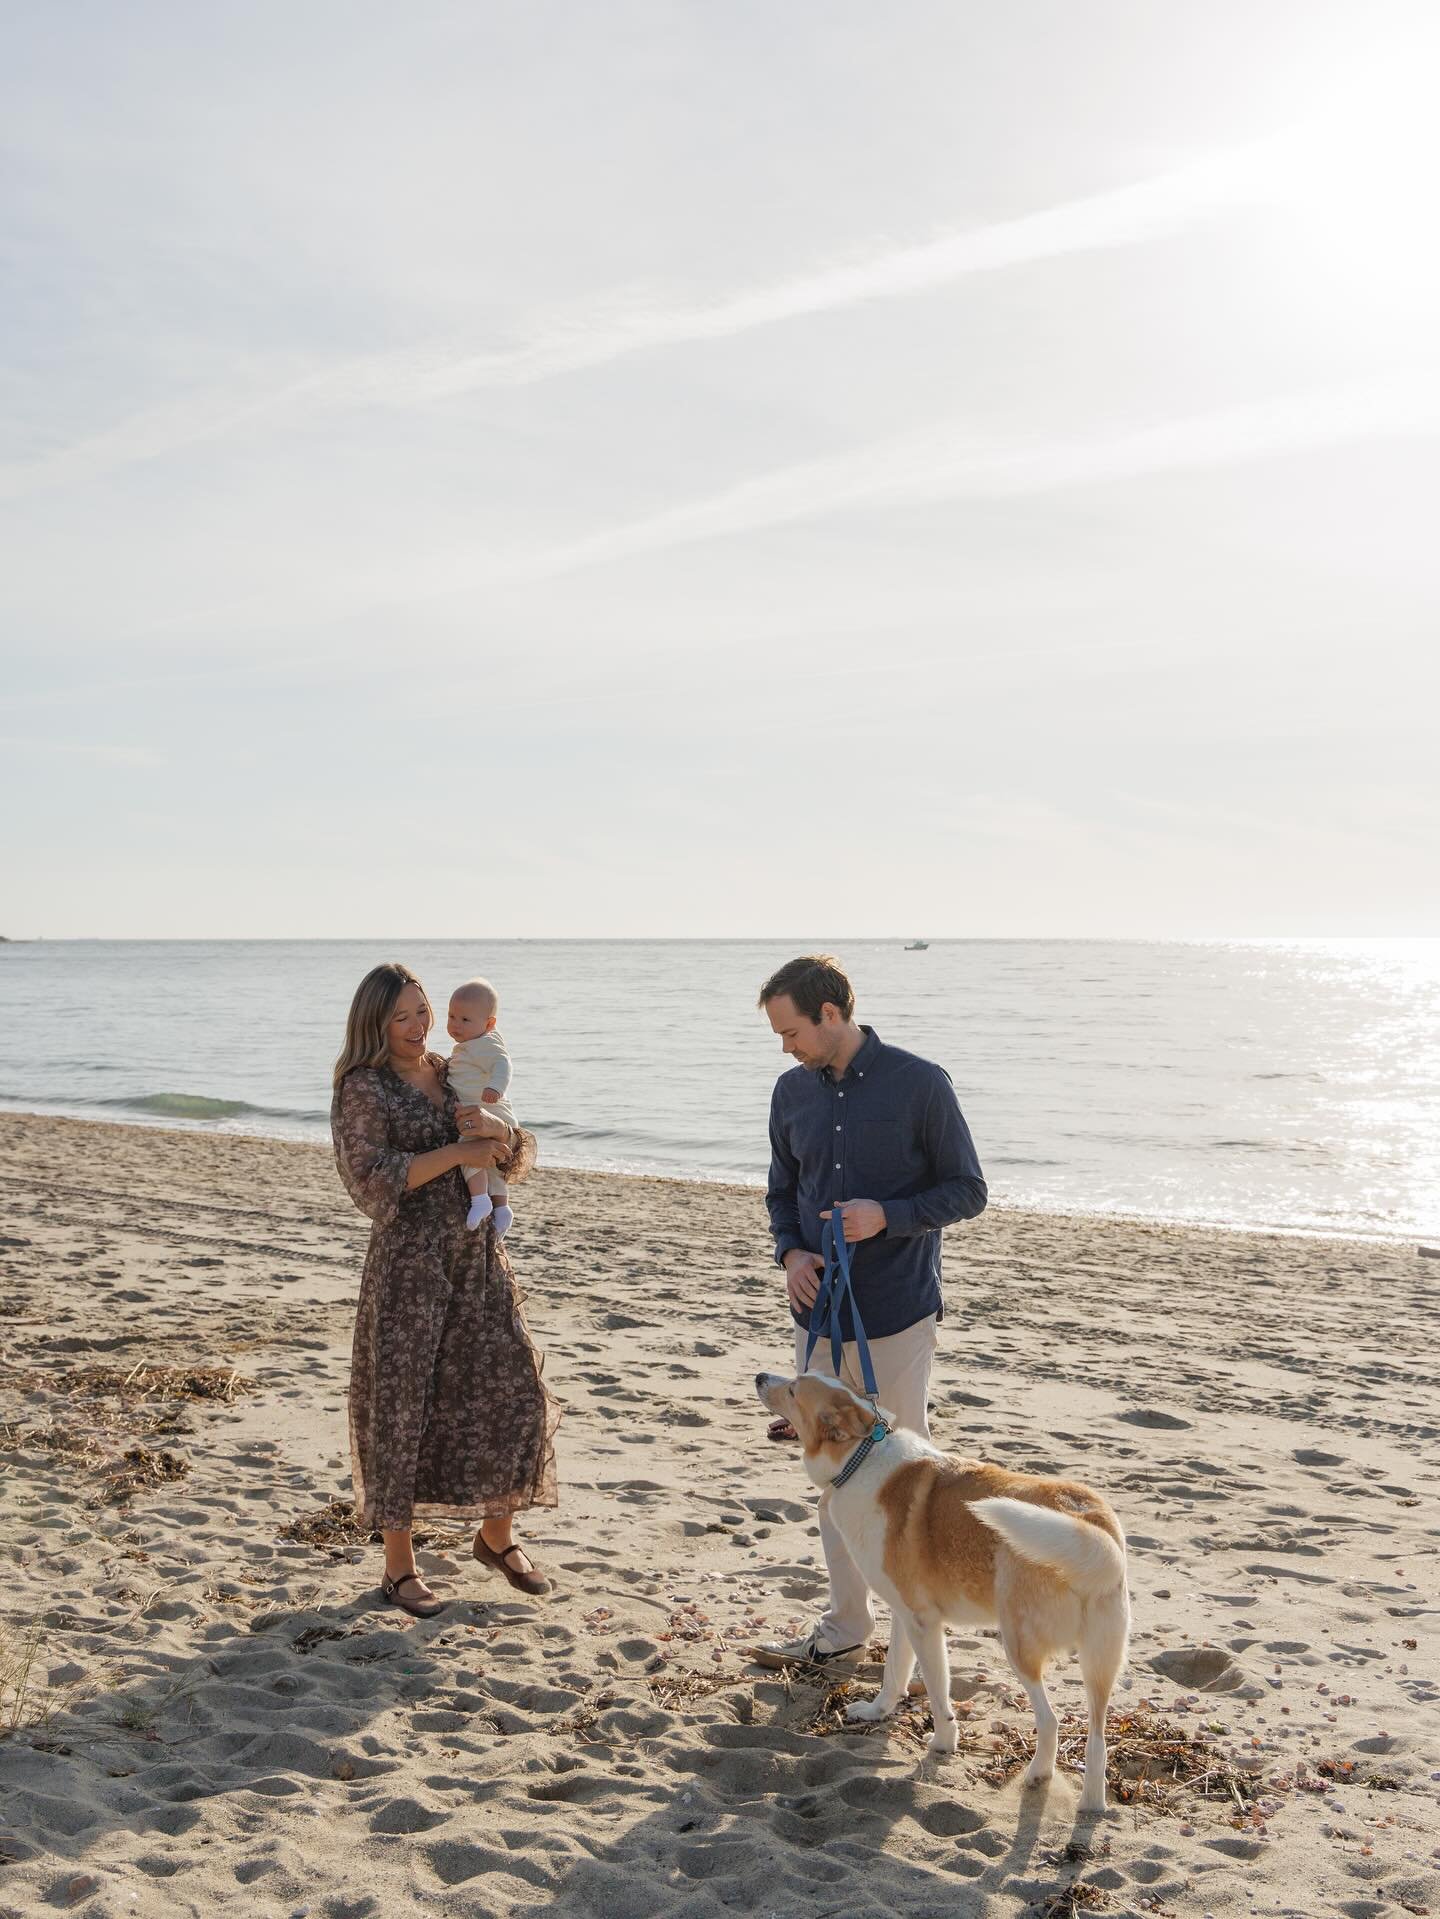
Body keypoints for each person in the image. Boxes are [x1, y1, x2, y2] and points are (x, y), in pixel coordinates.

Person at [753, 953, 987, 1669]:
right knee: (830, 1475)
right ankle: (844, 1624)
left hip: (897, 1312)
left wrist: (885, 1216)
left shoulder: (920, 1083)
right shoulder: (790, 1092)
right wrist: (792, 1253)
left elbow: (967, 1190)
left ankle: (912, 1641)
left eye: (791, 1030)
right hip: (816, 1315)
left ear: (831, 1014)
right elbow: (780, 1193)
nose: (786, 1046)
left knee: (903, 1477)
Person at [330, 961, 559, 1616]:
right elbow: (370, 1182)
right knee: (403, 1413)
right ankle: (398, 1567)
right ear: (373, 1023)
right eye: (399, 1017)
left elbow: (513, 1153)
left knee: (514, 1393)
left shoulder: (452, 1065)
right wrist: (458, 1155)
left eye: (420, 1010)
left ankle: (496, 1536)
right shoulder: (361, 1086)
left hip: (476, 1259)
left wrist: (503, 1137)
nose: (415, 1026)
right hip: (409, 1266)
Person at [446, 977, 518, 1236]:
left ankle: (480, 1200)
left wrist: (496, 1088)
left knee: (469, 1150)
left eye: (465, 1020)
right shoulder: (474, 1043)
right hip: (493, 1113)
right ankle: (502, 1208)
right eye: (452, 1016)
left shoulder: (484, 1044)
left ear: (489, 1024)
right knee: (492, 1164)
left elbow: (503, 1064)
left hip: (487, 1110)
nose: (455, 1024)